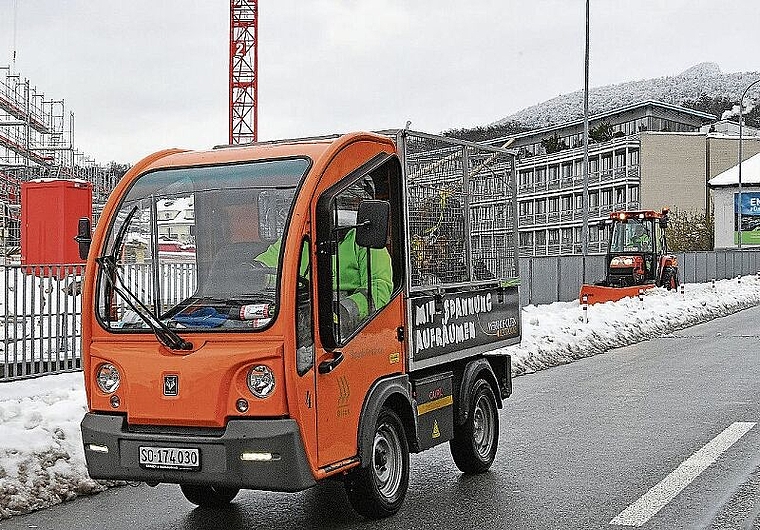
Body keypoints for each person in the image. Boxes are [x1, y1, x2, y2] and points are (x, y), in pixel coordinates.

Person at [255, 177, 393, 339]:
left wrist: (343, 311)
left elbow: (379, 288)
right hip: (300, 322)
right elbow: (269, 265)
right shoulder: (298, 237)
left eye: (347, 201)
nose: (341, 206)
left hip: (350, 332)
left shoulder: (365, 241)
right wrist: (251, 272)